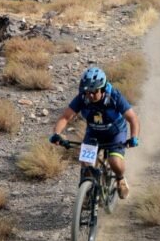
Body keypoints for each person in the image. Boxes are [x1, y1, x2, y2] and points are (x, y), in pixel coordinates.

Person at [49, 67, 140, 199]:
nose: (90, 95)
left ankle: (120, 179)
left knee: (114, 161)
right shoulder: (82, 98)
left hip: (115, 133)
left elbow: (133, 119)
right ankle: (86, 194)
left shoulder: (114, 97)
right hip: (93, 133)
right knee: (86, 165)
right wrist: (56, 134)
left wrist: (134, 137)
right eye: (86, 91)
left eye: (94, 91)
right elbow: (65, 117)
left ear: (102, 89)